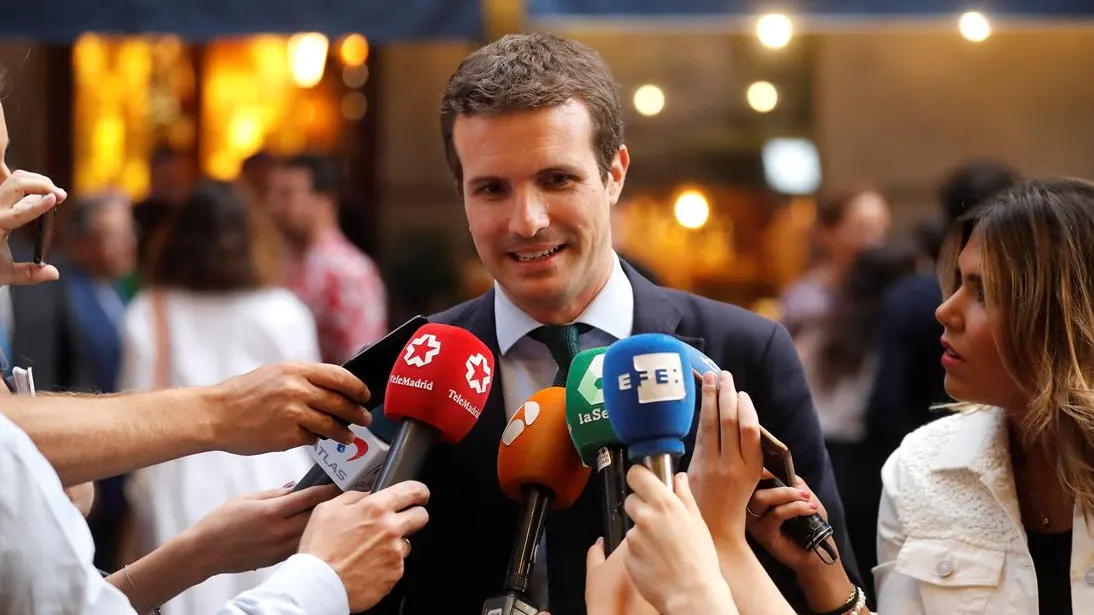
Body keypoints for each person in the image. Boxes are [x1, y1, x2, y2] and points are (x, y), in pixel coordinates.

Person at [369, 32, 858, 615]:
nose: (527, 221)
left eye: (557, 179)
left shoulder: (744, 354)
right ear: (461, 195)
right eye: (493, 189)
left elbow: (825, 582)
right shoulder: (415, 368)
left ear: (615, 173)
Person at [265, 154, 388, 363]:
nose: (275, 206)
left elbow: (364, 359)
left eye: (288, 195)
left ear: (325, 201)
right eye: (273, 195)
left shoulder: (349, 271)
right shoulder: (275, 261)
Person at [780, 186, 891, 339]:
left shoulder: (893, 291)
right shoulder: (805, 300)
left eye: (881, 228)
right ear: (828, 233)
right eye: (862, 229)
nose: (874, 241)